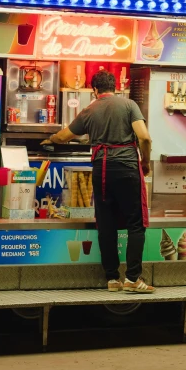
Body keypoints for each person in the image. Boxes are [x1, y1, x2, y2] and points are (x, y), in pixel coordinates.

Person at [44, 70, 154, 294]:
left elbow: (63, 137)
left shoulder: (89, 110)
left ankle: (112, 279)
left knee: (106, 224)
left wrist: (50, 139)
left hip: (101, 170)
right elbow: (144, 137)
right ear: (114, 87)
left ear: (95, 90)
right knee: (136, 224)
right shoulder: (129, 105)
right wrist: (145, 163)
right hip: (126, 168)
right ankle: (133, 278)